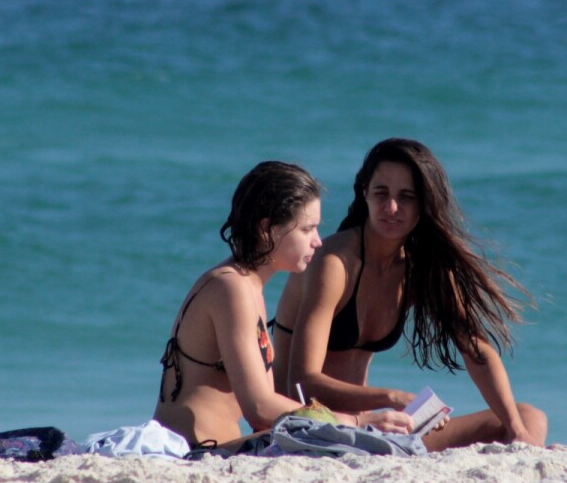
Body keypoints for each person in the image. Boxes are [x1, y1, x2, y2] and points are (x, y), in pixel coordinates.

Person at [272, 139, 548, 450]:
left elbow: (476, 351)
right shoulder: (335, 263)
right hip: (310, 426)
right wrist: (391, 398)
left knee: (528, 417)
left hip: (367, 428)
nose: (392, 208)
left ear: (424, 203)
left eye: (406, 197)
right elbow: (302, 381)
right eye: (381, 194)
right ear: (364, 193)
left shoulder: (419, 268)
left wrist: (515, 430)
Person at [153, 160, 410, 449]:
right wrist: (354, 422)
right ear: (268, 229)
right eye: (306, 229)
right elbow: (259, 407)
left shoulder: (246, 285)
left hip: (219, 445)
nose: (317, 242)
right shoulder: (231, 287)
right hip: (197, 450)